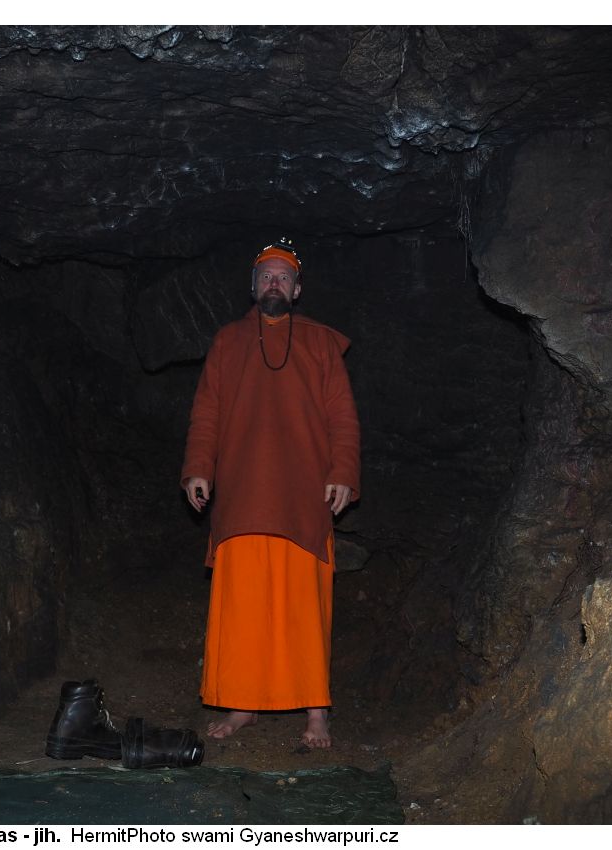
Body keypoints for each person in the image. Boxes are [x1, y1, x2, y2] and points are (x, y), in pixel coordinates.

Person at [181, 238, 360, 749]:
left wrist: (343, 471)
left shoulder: (322, 344)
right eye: (266, 276)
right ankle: (243, 705)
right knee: (244, 604)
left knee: (304, 604)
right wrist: (199, 468)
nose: (274, 282)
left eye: (284, 276)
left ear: (298, 289)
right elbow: (207, 411)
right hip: (240, 492)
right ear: (253, 286)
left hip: (303, 493)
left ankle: (316, 713)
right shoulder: (228, 341)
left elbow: (342, 416)